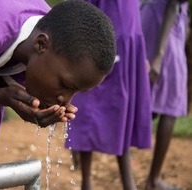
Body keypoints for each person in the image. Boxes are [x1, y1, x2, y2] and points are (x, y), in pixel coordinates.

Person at [0, 0, 116, 169]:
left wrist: (7, 96)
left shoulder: (56, 31)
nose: (65, 99)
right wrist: (1, 96)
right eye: (65, 84)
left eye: (77, 92)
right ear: (41, 45)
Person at [64, 0, 152, 190]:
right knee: (88, 102)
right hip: (100, 37)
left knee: (122, 107)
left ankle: (127, 181)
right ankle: (86, 181)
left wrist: (139, 55)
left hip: (129, 39)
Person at [140, 0, 189, 189]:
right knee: (171, 105)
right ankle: (153, 180)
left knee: (149, 99)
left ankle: (84, 142)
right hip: (166, 33)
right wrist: (160, 55)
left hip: (150, 23)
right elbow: (173, 4)